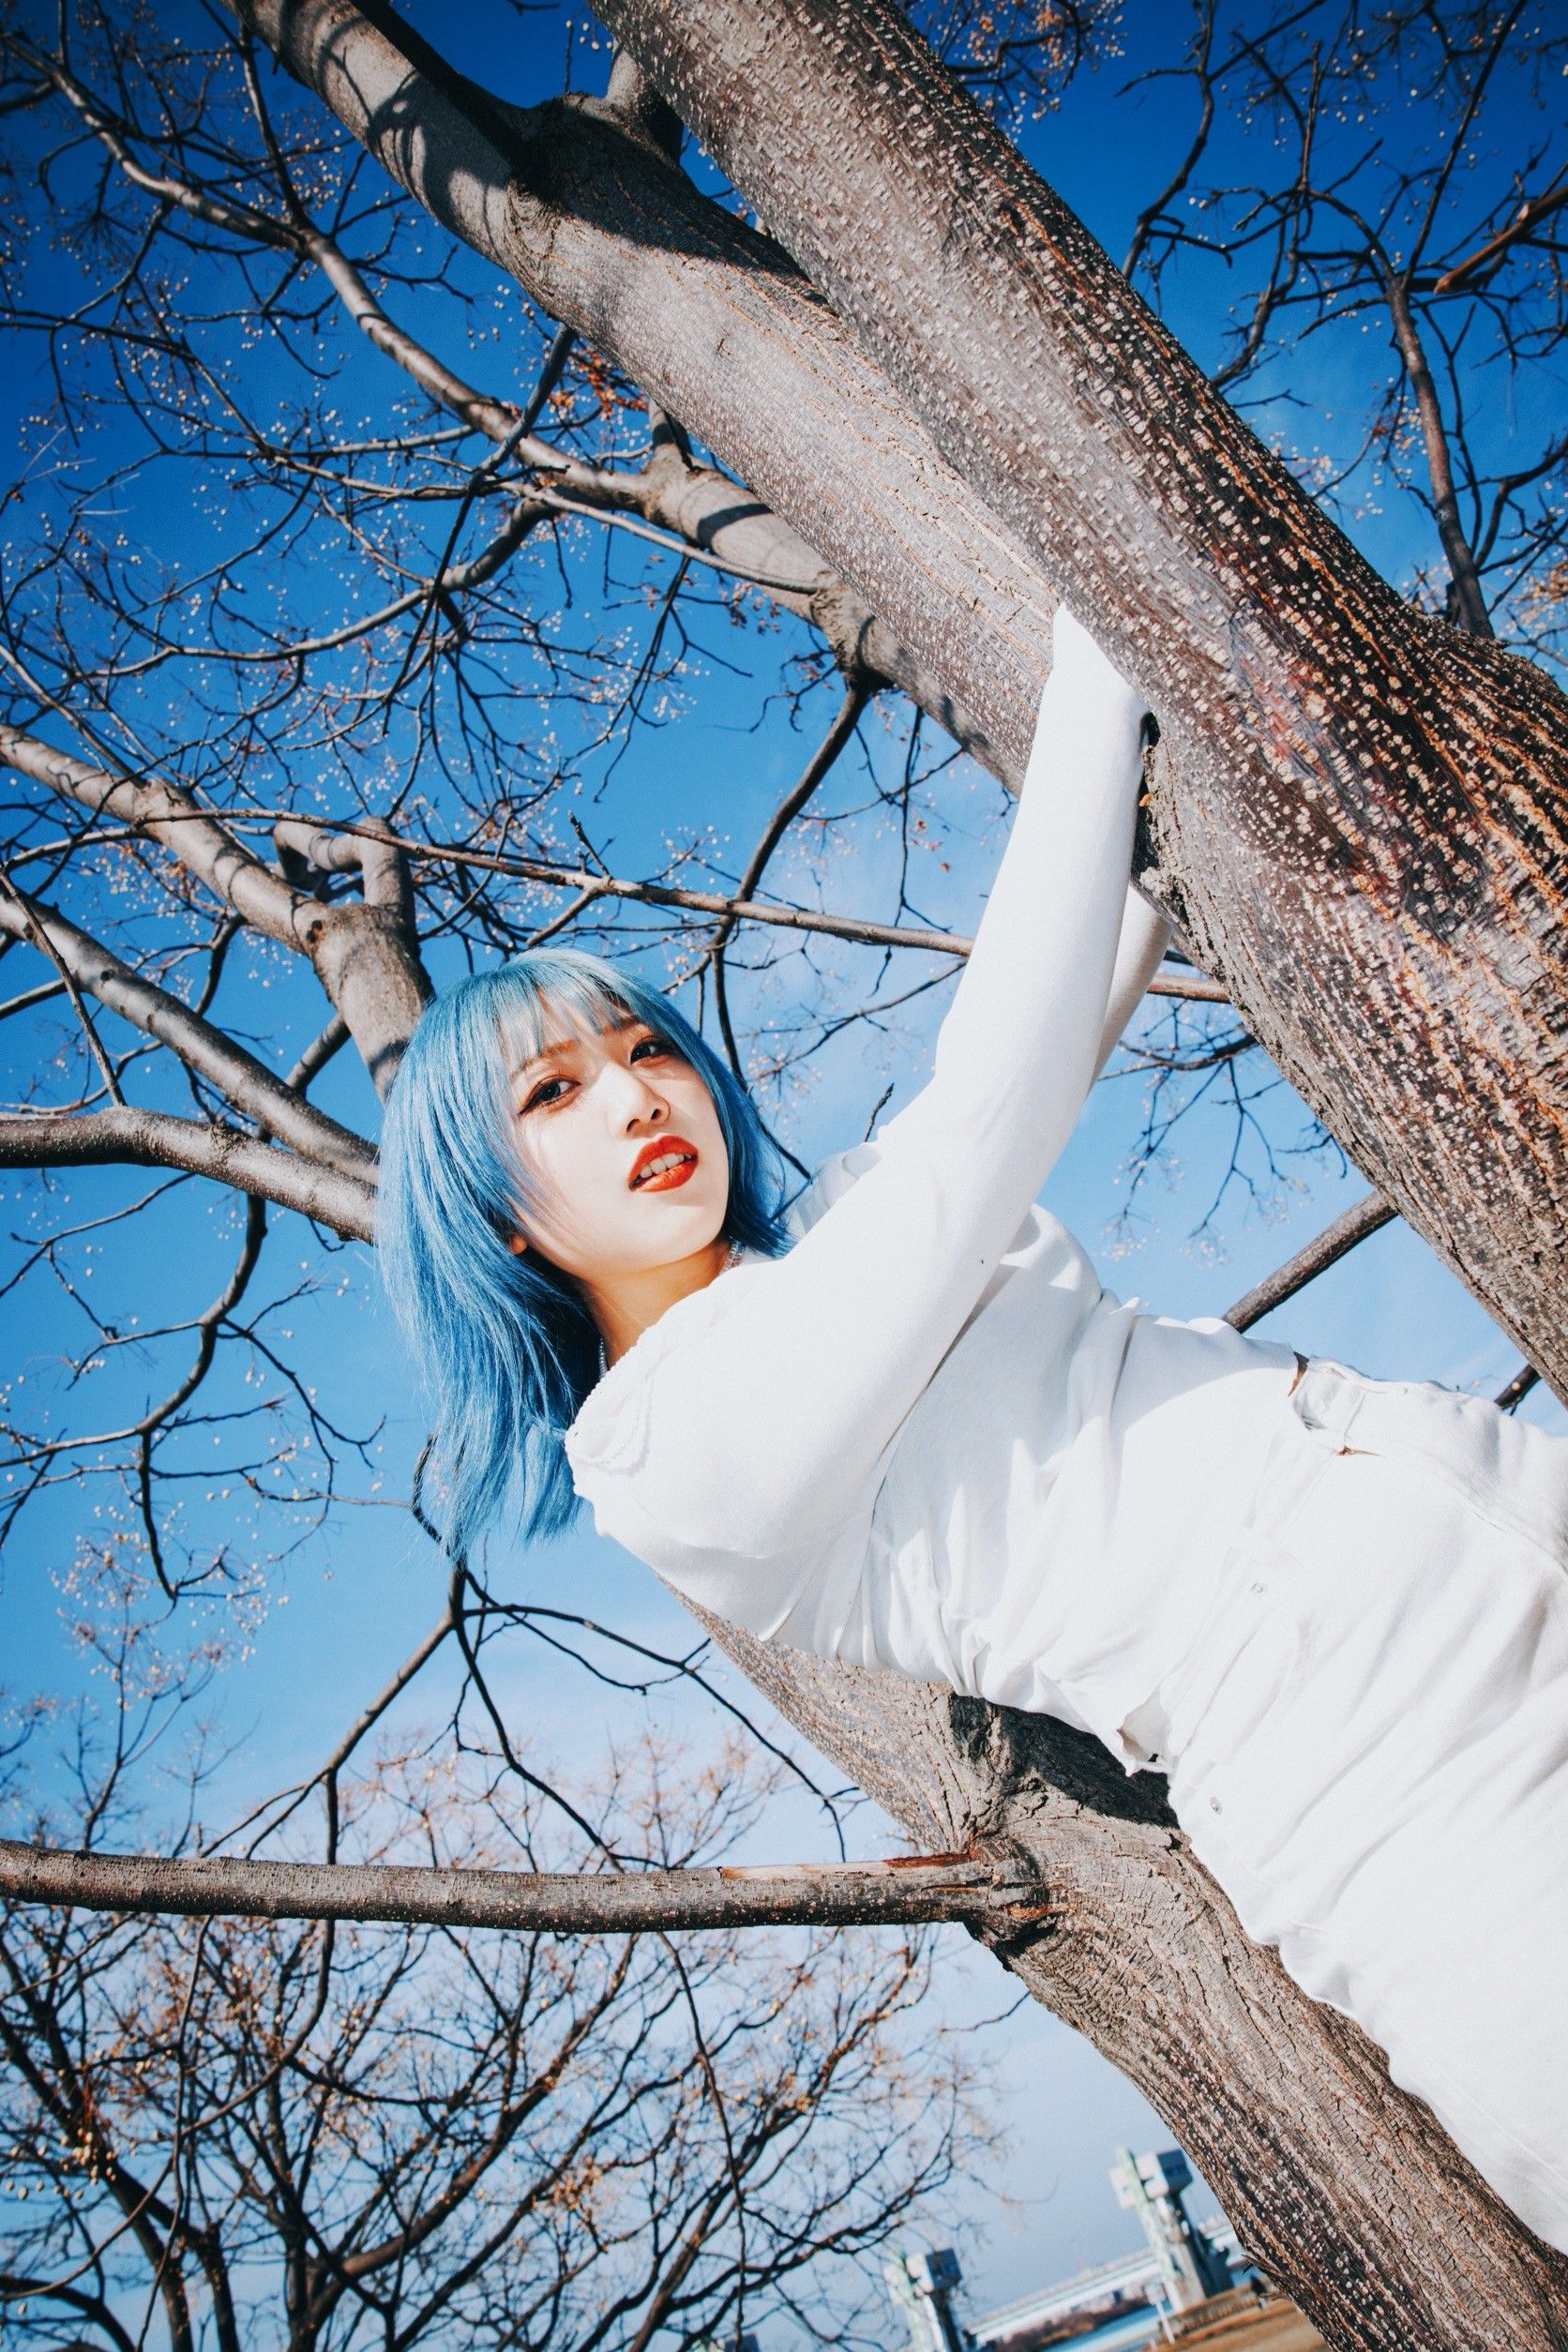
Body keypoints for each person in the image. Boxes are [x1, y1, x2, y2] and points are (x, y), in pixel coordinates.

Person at [379, 604, 1568, 2254]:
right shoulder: (661, 1455)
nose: (640, 1095)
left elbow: (1079, 982)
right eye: (553, 1092)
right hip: (1378, 1766)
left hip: (1493, 1503)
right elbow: (995, 1095)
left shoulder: (847, 1226)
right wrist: (1097, 641)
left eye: (648, 1049)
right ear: (498, 1219)